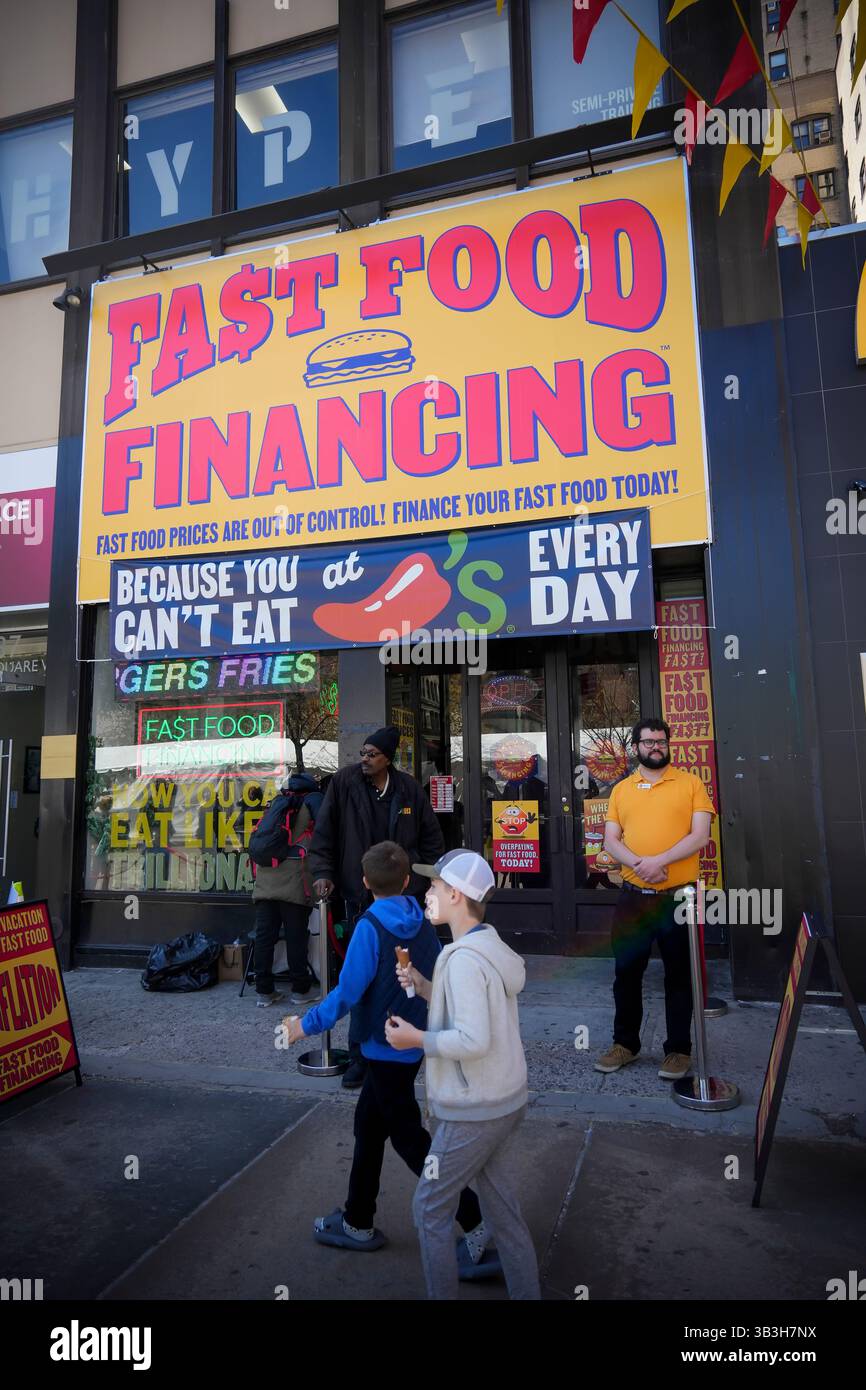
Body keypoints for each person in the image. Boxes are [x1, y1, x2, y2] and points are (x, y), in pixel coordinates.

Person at [283, 842, 493, 1276]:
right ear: (405, 881)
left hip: (384, 1046)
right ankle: (358, 1219)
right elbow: (434, 975)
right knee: (369, 1126)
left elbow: (348, 991)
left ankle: (475, 1222)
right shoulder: (423, 919)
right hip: (413, 1040)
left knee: (410, 1140)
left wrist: (305, 1025)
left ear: (364, 883)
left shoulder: (368, 927)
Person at [386, 849, 540, 1301]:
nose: (427, 894)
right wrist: (422, 984)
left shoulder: (463, 959)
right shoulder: (485, 948)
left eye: (433, 887)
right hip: (503, 1100)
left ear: (455, 894)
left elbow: (473, 1040)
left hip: (473, 1109)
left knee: (429, 1208)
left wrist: (417, 1040)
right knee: (503, 1213)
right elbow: (467, 1009)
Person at [308, 725, 445, 1088]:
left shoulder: (410, 789)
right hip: (359, 895)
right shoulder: (343, 783)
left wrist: (424, 879)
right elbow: (324, 833)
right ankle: (360, 1056)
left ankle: (404, 1043)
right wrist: (322, 871)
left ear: (389, 759)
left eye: (372, 754)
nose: (364, 760)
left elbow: (432, 839)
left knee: (402, 978)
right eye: (363, 753)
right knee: (359, 979)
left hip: (404, 898)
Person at [594, 717, 715, 1080]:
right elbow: (611, 840)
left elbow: (701, 835)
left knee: (680, 977)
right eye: (648, 742)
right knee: (626, 974)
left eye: (660, 741)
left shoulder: (691, 783)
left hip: (678, 899)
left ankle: (678, 1051)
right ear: (636, 747)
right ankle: (625, 1045)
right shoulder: (621, 789)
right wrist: (639, 865)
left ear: (668, 743)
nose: (655, 747)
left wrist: (658, 862)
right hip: (632, 899)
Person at [250, 771, 322, 1008]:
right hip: (295, 882)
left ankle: (264, 992)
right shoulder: (311, 804)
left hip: (265, 882)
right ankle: (300, 990)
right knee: (296, 938)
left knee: (264, 938)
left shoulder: (274, 807)